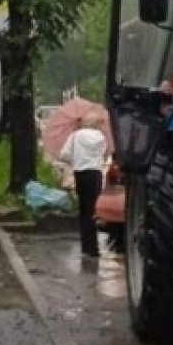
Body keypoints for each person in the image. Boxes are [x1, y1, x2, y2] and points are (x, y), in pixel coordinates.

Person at [60, 111, 108, 259]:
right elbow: (105, 154)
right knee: (94, 210)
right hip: (96, 174)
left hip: (81, 173)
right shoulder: (101, 137)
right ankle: (94, 248)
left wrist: (75, 159)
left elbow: (64, 155)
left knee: (84, 209)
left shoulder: (76, 136)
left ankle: (86, 247)